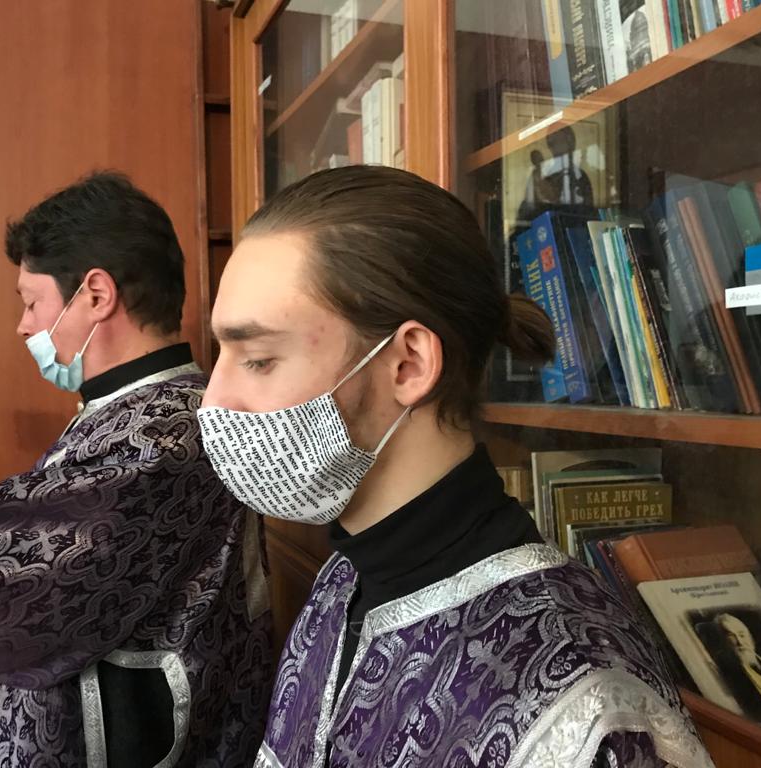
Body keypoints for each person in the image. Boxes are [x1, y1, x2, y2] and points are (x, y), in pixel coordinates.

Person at [198, 165, 715, 767]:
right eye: (222, 355)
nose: (212, 401)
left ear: (409, 364)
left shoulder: (580, 703)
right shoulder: (342, 580)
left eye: (258, 359)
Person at [0, 172, 272, 767]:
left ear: (95, 295)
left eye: (31, 301)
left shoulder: (163, 440)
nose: (24, 325)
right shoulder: (136, 412)